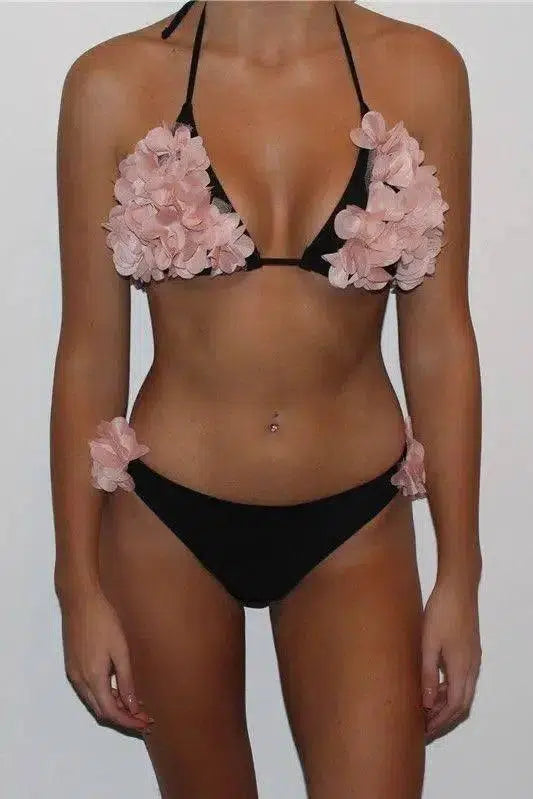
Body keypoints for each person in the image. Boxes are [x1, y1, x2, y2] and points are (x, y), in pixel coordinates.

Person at [51, 1, 482, 796]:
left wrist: (460, 572)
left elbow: (440, 342)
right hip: (166, 526)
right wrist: (76, 584)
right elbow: (88, 353)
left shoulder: (421, 71)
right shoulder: (110, 84)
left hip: (356, 525)